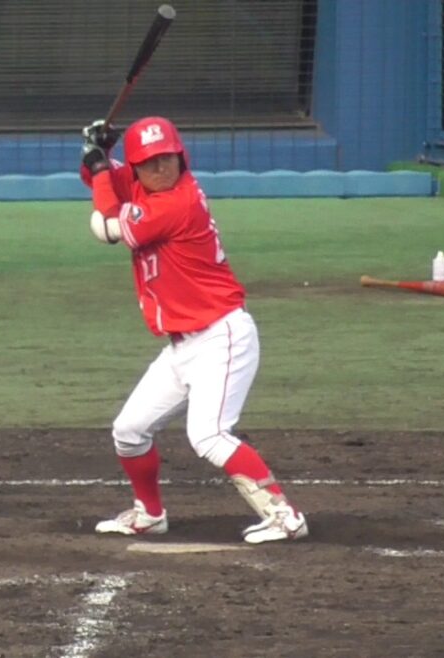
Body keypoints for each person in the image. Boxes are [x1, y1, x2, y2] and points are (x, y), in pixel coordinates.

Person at [79, 116, 309, 544]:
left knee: (208, 435)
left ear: (181, 157)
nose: (160, 168)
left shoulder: (176, 202)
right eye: (149, 162)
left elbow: (107, 223)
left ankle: (284, 516)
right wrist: (97, 154)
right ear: (137, 167)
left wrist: (99, 165)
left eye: (167, 158)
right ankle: (149, 515)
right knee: (129, 430)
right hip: (183, 345)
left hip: (221, 335)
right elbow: (101, 183)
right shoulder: (144, 188)